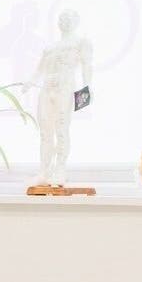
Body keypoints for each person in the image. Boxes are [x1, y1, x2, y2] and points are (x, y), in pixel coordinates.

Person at [30, 10, 93, 187]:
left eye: (69, 18)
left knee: (61, 128)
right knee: (45, 131)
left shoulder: (81, 43)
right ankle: (43, 170)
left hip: (65, 87)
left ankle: (60, 169)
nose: (64, 21)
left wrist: (87, 87)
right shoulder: (50, 47)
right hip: (46, 88)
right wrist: (29, 82)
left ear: (76, 21)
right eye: (62, 18)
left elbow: (87, 65)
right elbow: (39, 69)